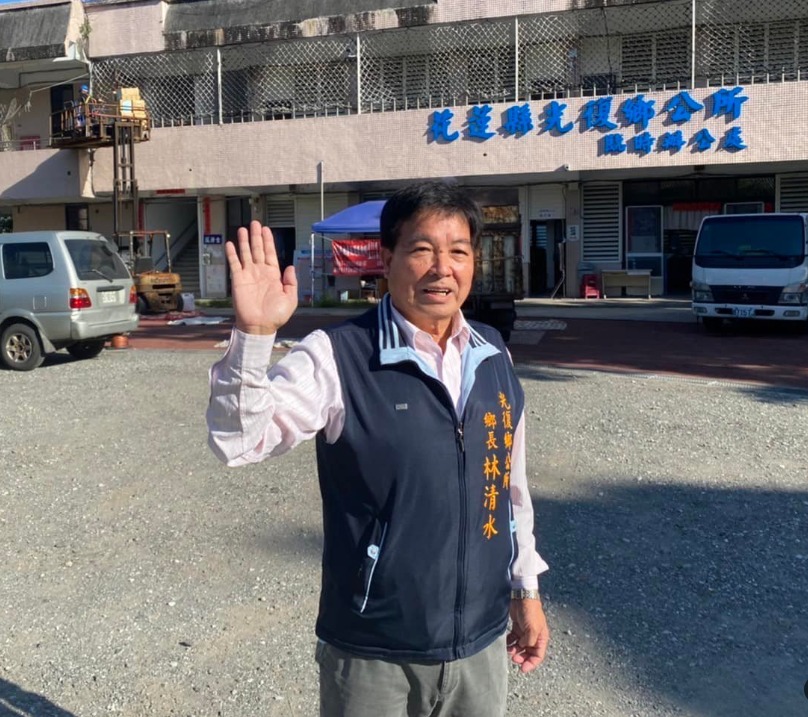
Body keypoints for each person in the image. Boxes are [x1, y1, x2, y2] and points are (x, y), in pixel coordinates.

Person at [206, 181, 550, 717]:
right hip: (373, 651)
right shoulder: (339, 355)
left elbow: (510, 488)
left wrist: (525, 589)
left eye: (458, 251)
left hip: (481, 644)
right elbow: (239, 440)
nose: (442, 269)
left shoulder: (492, 353)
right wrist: (253, 335)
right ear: (386, 258)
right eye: (422, 249)